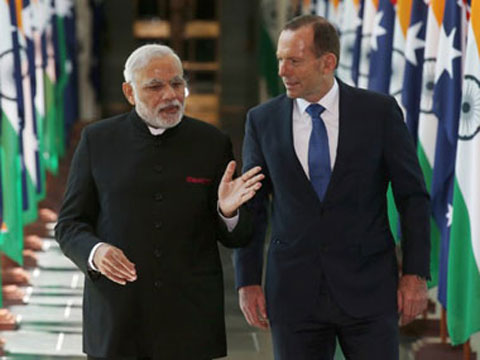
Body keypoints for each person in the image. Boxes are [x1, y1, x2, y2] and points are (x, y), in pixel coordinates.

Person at [234, 15, 430, 360]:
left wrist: (414, 274)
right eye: (280, 59)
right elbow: (253, 208)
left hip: (369, 290)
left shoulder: (379, 112)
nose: (282, 70)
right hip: (293, 292)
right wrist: (247, 280)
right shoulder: (261, 120)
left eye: (294, 61)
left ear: (328, 62)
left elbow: (412, 198)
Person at [55, 44, 264, 360]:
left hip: (189, 320)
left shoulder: (212, 143)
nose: (171, 95)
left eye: (177, 83)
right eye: (155, 86)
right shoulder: (97, 141)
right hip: (118, 317)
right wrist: (96, 253)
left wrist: (227, 211)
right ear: (129, 92)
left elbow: (239, 235)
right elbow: (69, 225)